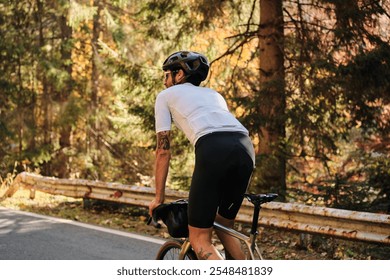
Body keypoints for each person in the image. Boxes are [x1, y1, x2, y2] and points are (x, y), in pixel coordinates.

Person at [149, 51, 255, 260]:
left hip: (213, 148)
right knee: (224, 225)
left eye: (167, 75)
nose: (164, 80)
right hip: (245, 148)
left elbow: (163, 150)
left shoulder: (165, 96)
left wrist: (158, 198)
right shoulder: (215, 95)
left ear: (179, 75)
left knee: (199, 238)